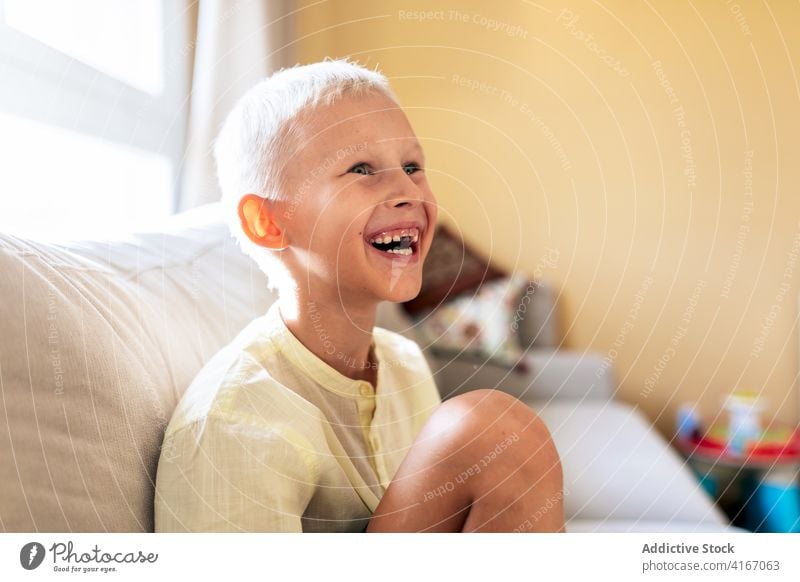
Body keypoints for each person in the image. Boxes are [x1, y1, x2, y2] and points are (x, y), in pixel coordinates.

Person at [154, 58, 564, 533]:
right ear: (268, 222)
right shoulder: (234, 428)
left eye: (413, 166)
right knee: (492, 428)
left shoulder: (405, 362)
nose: (408, 189)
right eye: (361, 168)